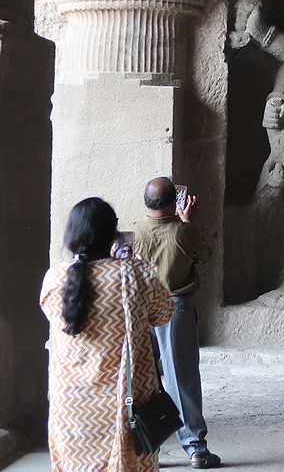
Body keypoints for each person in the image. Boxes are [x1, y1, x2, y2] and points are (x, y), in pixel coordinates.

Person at [40, 197, 175, 472]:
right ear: (113, 234)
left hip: (72, 408)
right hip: (128, 407)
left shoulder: (55, 279)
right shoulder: (137, 275)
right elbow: (163, 315)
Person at [132, 178, 221, 469]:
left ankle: (146, 450)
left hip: (140, 309)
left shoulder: (134, 234)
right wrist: (187, 221)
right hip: (174, 308)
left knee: (142, 381)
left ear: (146, 202)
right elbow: (205, 256)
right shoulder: (184, 232)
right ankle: (196, 449)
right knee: (181, 379)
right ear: (174, 202)